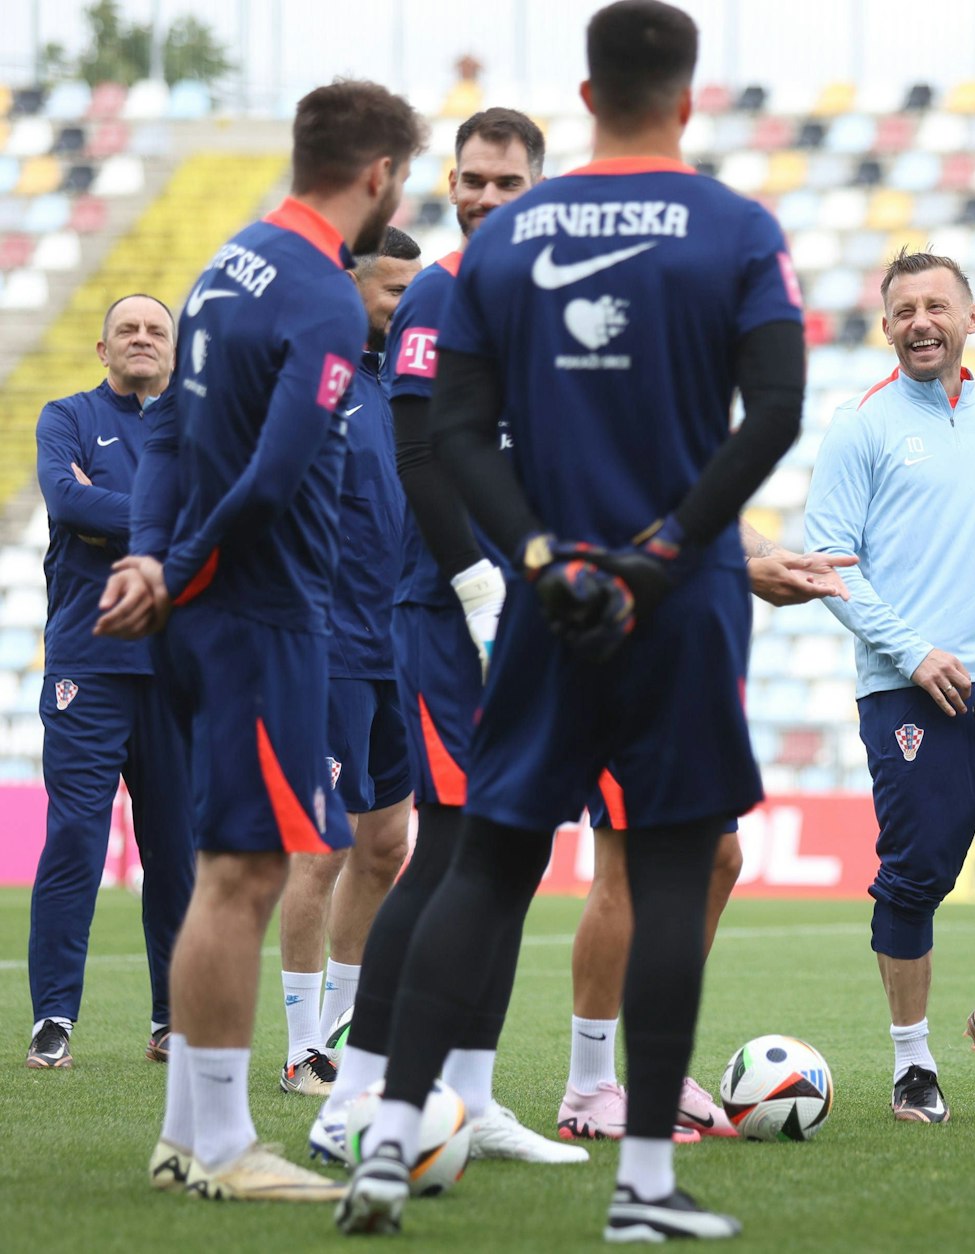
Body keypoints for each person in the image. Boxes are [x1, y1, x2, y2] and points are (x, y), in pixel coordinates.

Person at [337, 3, 804, 1239]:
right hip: (682, 598)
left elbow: (444, 433)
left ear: (585, 101)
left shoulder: (503, 243)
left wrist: (541, 558)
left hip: (546, 598)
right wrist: (662, 553)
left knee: (487, 862)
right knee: (662, 871)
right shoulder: (738, 229)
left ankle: (388, 1148)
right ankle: (645, 1185)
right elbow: (774, 413)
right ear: (689, 99)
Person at [95, 78, 423, 1202]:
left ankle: (188, 1133)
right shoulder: (324, 297)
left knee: (218, 870)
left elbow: (171, 440)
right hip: (270, 616)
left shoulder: (225, 262)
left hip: (205, 611)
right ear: (378, 177)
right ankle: (225, 1148)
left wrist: (151, 556)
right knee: (245, 872)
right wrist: (176, 566)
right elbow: (274, 476)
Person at [310, 106, 585, 1167]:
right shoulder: (440, 286)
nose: (483, 197)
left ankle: (471, 1094)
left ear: (539, 189)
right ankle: (358, 1095)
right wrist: (475, 585)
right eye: (471, 179)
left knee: (511, 853)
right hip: (447, 614)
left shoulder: (555, 298)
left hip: (532, 616)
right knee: (453, 849)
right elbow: (418, 452)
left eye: (505, 183)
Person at [800, 247, 975, 1125]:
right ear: (886, 328)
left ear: (971, 319)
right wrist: (915, 651)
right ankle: (912, 1063)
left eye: (937, 306)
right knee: (916, 880)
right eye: (904, 310)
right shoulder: (860, 426)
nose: (921, 322)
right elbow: (829, 569)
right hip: (911, 690)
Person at [559, 520, 855, 1144]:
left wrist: (775, 555)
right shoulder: (612, 426)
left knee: (720, 858)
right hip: (624, 651)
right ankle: (587, 1090)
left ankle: (652, 1073)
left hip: (693, 656)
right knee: (627, 863)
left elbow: (702, 503)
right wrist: (744, 573)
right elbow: (614, 523)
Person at [28, 294, 193, 1072]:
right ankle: (54, 1017)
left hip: (178, 670)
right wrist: (172, 518)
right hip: (90, 665)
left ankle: (173, 1019)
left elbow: (226, 515)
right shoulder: (66, 417)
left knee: (177, 852)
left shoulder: (199, 429)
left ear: (174, 350)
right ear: (102, 349)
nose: (140, 339)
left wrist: (116, 514)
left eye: (155, 331)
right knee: (74, 841)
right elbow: (67, 500)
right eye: (127, 329)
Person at [276, 225, 422, 1098]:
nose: (407, 307)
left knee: (386, 846)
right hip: (327, 649)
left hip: (401, 649)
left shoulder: (412, 386)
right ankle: (300, 1048)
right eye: (393, 290)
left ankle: (340, 1028)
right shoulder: (319, 385)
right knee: (319, 851)